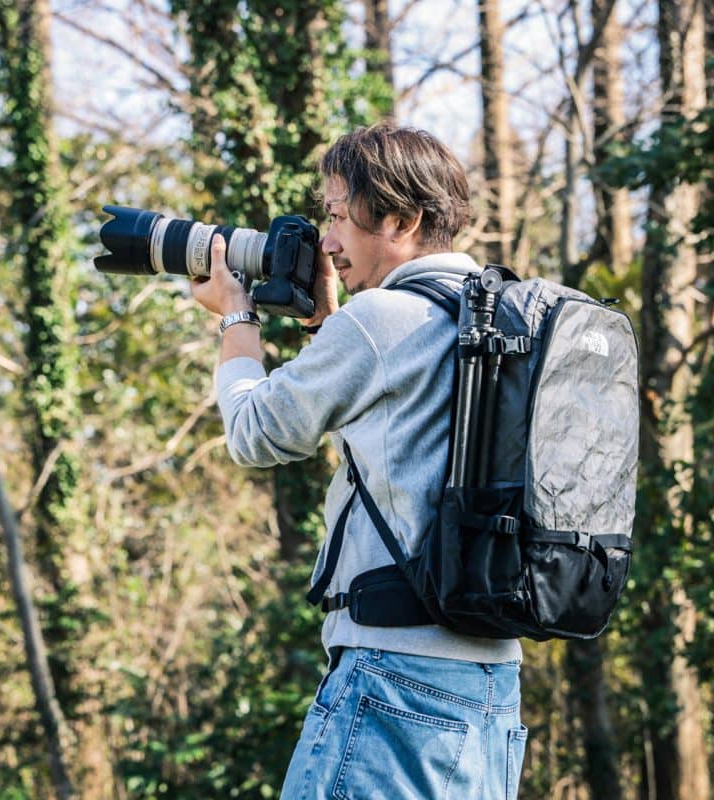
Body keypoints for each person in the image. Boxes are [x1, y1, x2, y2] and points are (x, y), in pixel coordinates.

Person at [191, 125, 527, 800]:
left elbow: (255, 434)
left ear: (401, 220)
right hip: (493, 691)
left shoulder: (380, 320)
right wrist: (328, 326)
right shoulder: (506, 316)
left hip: (394, 683)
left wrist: (235, 319)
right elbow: (404, 437)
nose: (328, 241)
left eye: (339, 216)